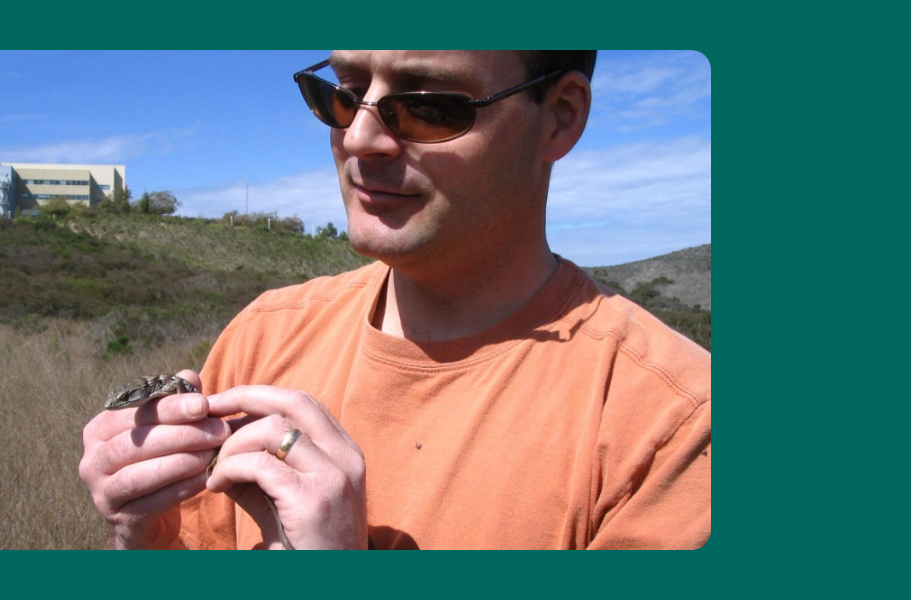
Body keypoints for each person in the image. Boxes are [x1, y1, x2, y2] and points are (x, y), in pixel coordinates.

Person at [79, 50, 711, 550]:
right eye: (343, 93)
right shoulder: (263, 338)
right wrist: (142, 539)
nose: (359, 138)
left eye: (429, 105)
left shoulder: (673, 431)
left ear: (561, 115)